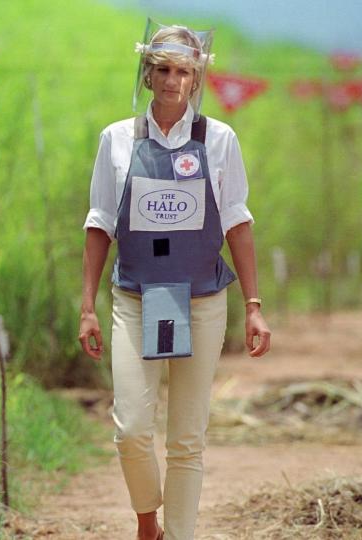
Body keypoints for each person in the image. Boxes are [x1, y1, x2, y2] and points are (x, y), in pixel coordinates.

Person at [77, 23, 271, 540]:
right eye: (161, 69)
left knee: (187, 438)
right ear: (147, 74)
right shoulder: (116, 140)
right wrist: (87, 307)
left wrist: (253, 304)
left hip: (201, 299)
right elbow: (100, 224)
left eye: (182, 71)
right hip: (135, 298)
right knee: (132, 428)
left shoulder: (220, 140)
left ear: (196, 78)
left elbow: (237, 223)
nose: (171, 81)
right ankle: (147, 521)